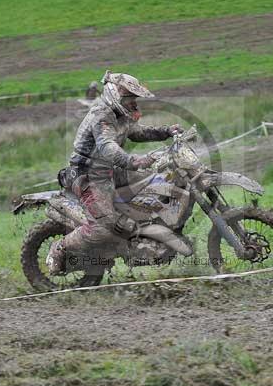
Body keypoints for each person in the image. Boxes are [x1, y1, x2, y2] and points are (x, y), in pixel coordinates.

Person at [46, 71, 182, 275]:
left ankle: (144, 235)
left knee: (158, 182)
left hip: (110, 171)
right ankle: (59, 249)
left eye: (134, 98)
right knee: (103, 227)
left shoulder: (121, 115)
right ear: (115, 93)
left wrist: (166, 131)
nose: (133, 102)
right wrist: (134, 161)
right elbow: (107, 146)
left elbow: (138, 133)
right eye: (130, 97)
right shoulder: (102, 115)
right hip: (87, 175)